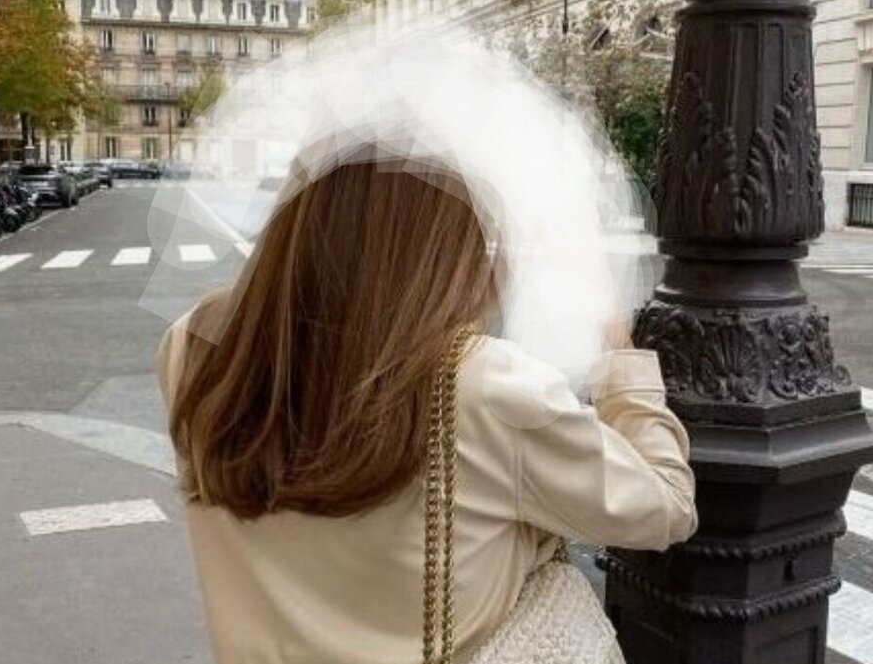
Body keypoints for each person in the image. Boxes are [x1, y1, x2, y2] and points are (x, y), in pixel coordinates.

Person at [155, 154, 696, 664]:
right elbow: (665, 506)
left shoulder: (194, 348)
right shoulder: (486, 387)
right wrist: (617, 352)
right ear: (444, 245)